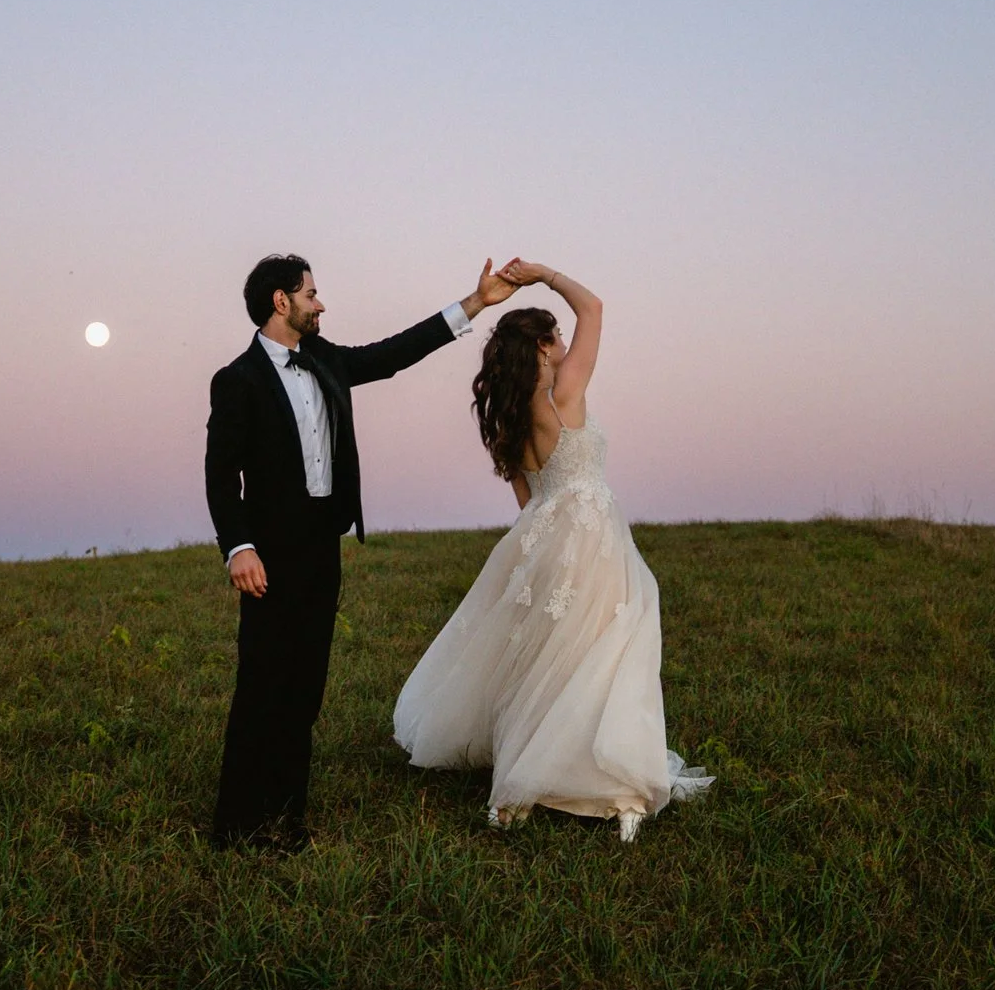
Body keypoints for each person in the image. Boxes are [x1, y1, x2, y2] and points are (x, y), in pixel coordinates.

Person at [205, 252, 517, 850]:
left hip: (323, 547)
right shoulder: (236, 380)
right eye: (312, 293)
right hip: (268, 555)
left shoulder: (324, 360)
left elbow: (394, 354)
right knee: (262, 686)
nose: (320, 304)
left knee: (306, 690)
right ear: (281, 301)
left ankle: (288, 818)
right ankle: (237, 825)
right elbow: (222, 476)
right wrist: (238, 547)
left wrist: (474, 302)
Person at [393, 259, 712, 840]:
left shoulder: (511, 417)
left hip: (540, 542)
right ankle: (619, 788)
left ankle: (517, 791)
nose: (567, 342)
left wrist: (550, 544)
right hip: (591, 537)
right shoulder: (562, 393)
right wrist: (544, 275)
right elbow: (593, 307)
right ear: (543, 345)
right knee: (608, 648)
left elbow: (528, 500)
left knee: (543, 658)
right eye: (557, 336)